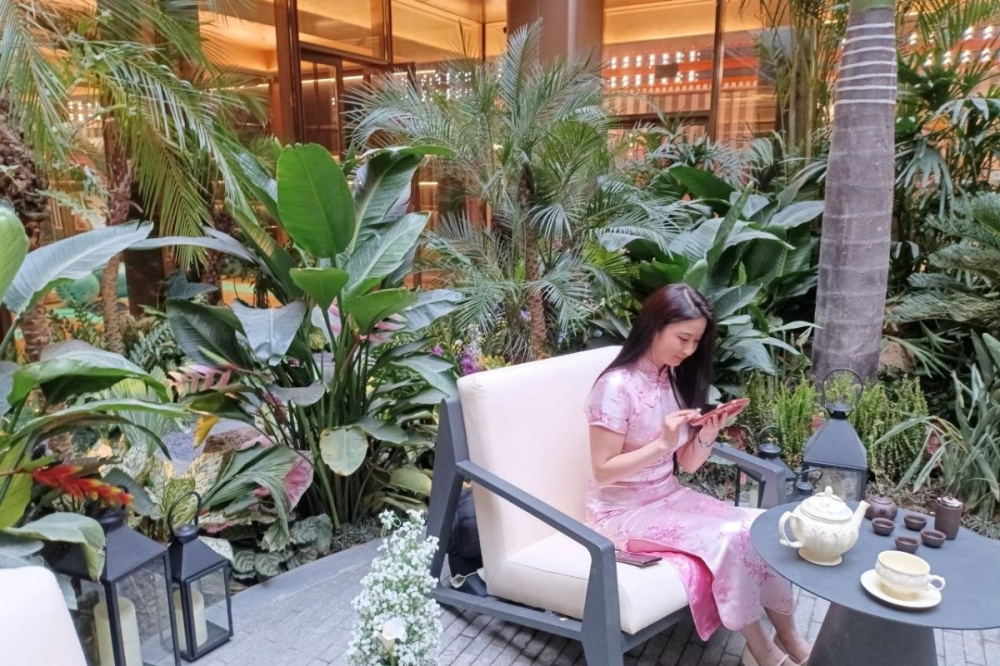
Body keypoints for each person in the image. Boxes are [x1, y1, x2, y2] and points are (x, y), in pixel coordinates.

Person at [584, 284, 811, 666]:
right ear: (655, 326)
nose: (689, 350)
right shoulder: (615, 387)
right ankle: (764, 652)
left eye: (696, 341)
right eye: (683, 338)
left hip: (667, 496)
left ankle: (791, 638)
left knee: (760, 527)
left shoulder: (671, 379)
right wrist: (661, 443)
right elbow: (602, 472)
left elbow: (687, 465)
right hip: (619, 512)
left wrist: (708, 432)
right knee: (727, 538)